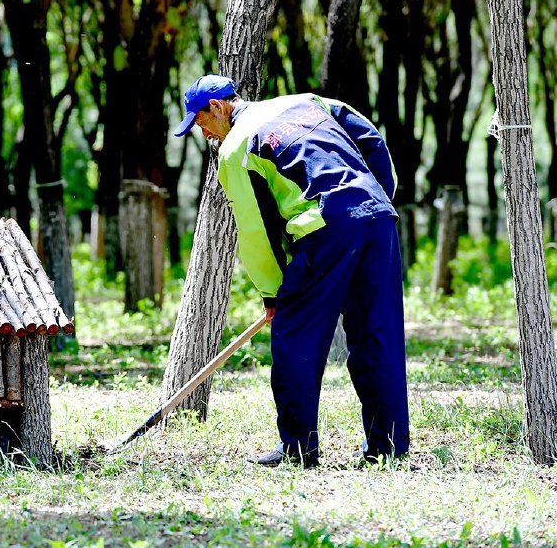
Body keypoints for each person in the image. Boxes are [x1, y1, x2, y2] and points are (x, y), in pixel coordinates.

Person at [173, 74, 409, 468]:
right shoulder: (306, 100)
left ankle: (298, 447)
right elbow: (371, 139)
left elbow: (255, 232)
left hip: (323, 228)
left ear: (218, 107)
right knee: (377, 333)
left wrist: (273, 294)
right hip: (377, 217)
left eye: (199, 120)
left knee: (295, 336)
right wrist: (378, 197)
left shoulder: (235, 149)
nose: (203, 132)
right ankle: (388, 449)